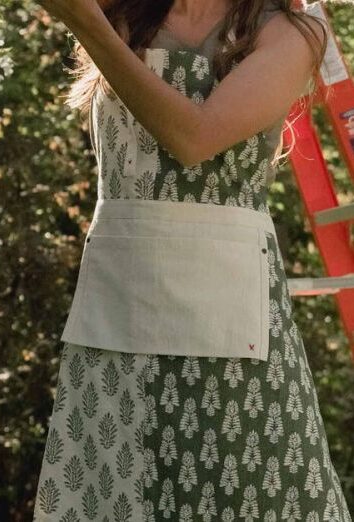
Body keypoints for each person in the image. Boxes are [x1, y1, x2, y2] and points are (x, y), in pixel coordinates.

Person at [32, 0, 353, 519]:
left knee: (258, 496)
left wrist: (87, 24)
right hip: (117, 315)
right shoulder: (121, 15)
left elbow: (195, 138)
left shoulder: (292, 31)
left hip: (236, 333)